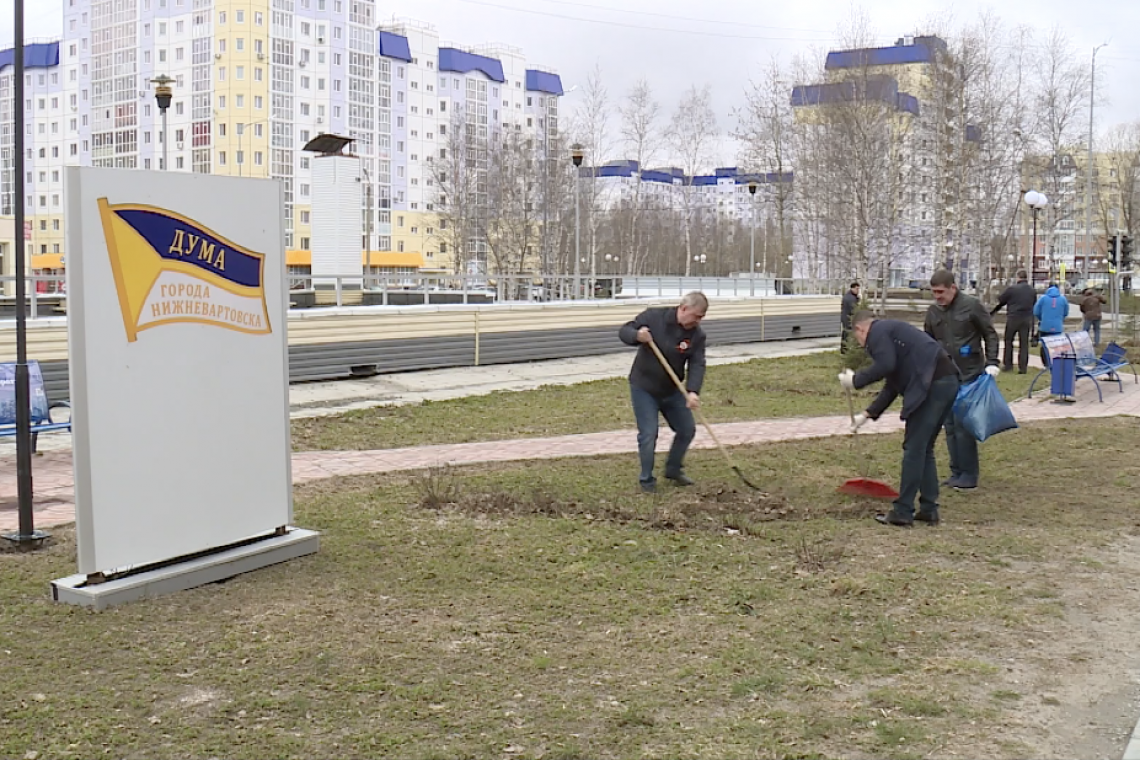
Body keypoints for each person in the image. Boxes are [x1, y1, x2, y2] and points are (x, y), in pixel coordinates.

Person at [838, 312, 960, 527]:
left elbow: (886, 365)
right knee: (924, 447)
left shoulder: (878, 332)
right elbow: (892, 383)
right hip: (947, 381)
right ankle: (929, 509)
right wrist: (866, 415)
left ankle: (903, 511)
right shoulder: (892, 333)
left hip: (932, 384)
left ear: (860, 330)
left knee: (914, 448)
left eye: (858, 338)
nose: (861, 344)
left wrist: (856, 380)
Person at [618, 291, 708, 493]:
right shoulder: (653, 318)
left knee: (687, 429)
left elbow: (697, 363)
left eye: (701, 318)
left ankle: (673, 469)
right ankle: (647, 480)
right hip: (644, 387)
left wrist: (693, 391)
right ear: (684, 308)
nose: (698, 321)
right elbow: (624, 331)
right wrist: (637, 335)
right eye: (697, 316)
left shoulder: (697, 335)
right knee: (649, 434)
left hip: (672, 390)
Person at [923, 270, 999, 491]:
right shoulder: (933, 311)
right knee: (949, 425)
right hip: (945, 375)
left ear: (953, 288)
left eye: (941, 292)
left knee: (963, 425)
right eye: (934, 292)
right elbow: (927, 340)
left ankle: (969, 474)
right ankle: (956, 471)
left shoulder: (971, 305)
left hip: (969, 373)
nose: (937, 296)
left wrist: (992, 361)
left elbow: (989, 333)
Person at [990, 270, 1036, 374]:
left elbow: (1001, 300)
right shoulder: (1032, 290)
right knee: (1024, 344)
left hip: (1013, 318)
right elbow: (1033, 303)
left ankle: (1008, 365)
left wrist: (992, 312)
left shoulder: (1012, 289)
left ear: (1018, 277)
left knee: (1008, 341)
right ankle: (1023, 367)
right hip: (1026, 319)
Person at [1033, 283, 1070, 351]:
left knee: (1045, 346)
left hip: (1045, 325)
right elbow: (1066, 312)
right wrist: (1061, 319)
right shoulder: (1063, 299)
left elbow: (1036, 311)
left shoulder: (1043, 298)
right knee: (1056, 346)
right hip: (1057, 326)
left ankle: (1045, 359)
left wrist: (1041, 318)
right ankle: (1054, 360)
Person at [840, 282, 861, 353]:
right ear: (852, 288)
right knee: (847, 334)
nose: (857, 290)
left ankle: (844, 350)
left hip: (845, 317)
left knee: (845, 334)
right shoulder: (850, 298)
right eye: (856, 289)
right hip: (848, 318)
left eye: (858, 289)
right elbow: (854, 308)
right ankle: (845, 350)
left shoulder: (848, 296)